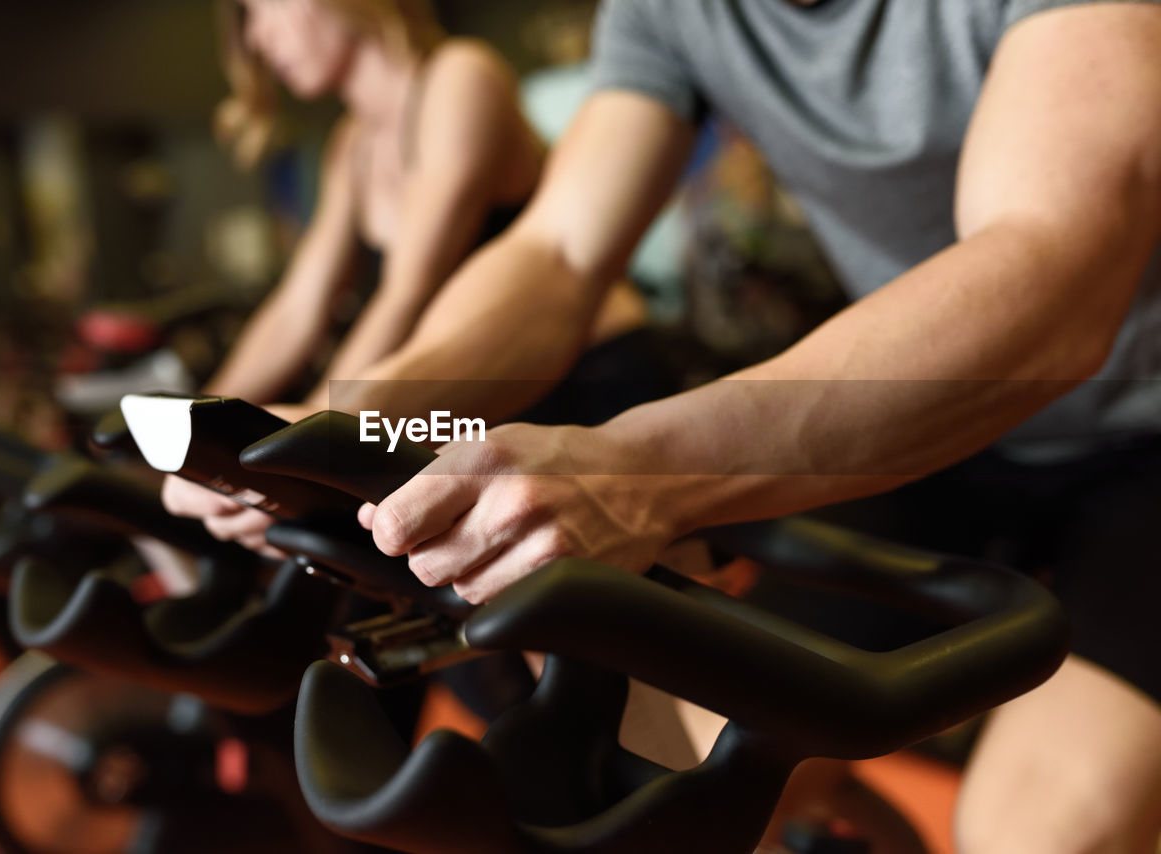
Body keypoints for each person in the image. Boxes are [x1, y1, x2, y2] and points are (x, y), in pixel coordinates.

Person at [172, 1, 1161, 851]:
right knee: (658, 777)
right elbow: (558, 252)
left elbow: (1053, 266)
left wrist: (638, 469)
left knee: (1034, 829)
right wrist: (360, 419)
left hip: (1140, 438)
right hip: (938, 436)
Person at [164, 0, 654, 550]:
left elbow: (407, 292)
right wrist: (186, 432)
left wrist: (312, 435)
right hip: (466, 392)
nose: (256, 38)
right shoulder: (352, 144)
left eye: (263, 8)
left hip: (585, 381)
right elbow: (295, 309)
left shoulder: (459, 76)